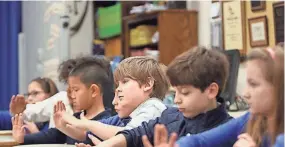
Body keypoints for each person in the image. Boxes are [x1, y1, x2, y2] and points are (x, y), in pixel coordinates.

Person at [90, 46, 232, 147]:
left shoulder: (229, 130)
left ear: (211, 91)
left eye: (185, 92)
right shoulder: (170, 117)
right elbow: (135, 134)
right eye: (175, 92)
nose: (176, 100)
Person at [148, 46, 284, 147]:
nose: (245, 93)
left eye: (253, 84)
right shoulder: (251, 118)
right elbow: (200, 141)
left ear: (278, 87)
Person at [61, 56, 169, 146]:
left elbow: (128, 135)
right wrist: (62, 125)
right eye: (118, 84)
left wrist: (87, 124)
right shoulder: (127, 116)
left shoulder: (153, 107)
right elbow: (88, 132)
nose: (118, 89)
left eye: (125, 81)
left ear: (147, 84)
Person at [12, 57, 113, 145]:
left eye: (76, 90)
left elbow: (87, 136)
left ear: (94, 91)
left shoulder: (108, 124)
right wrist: (23, 139)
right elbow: (53, 135)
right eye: (70, 89)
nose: (72, 95)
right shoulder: (76, 117)